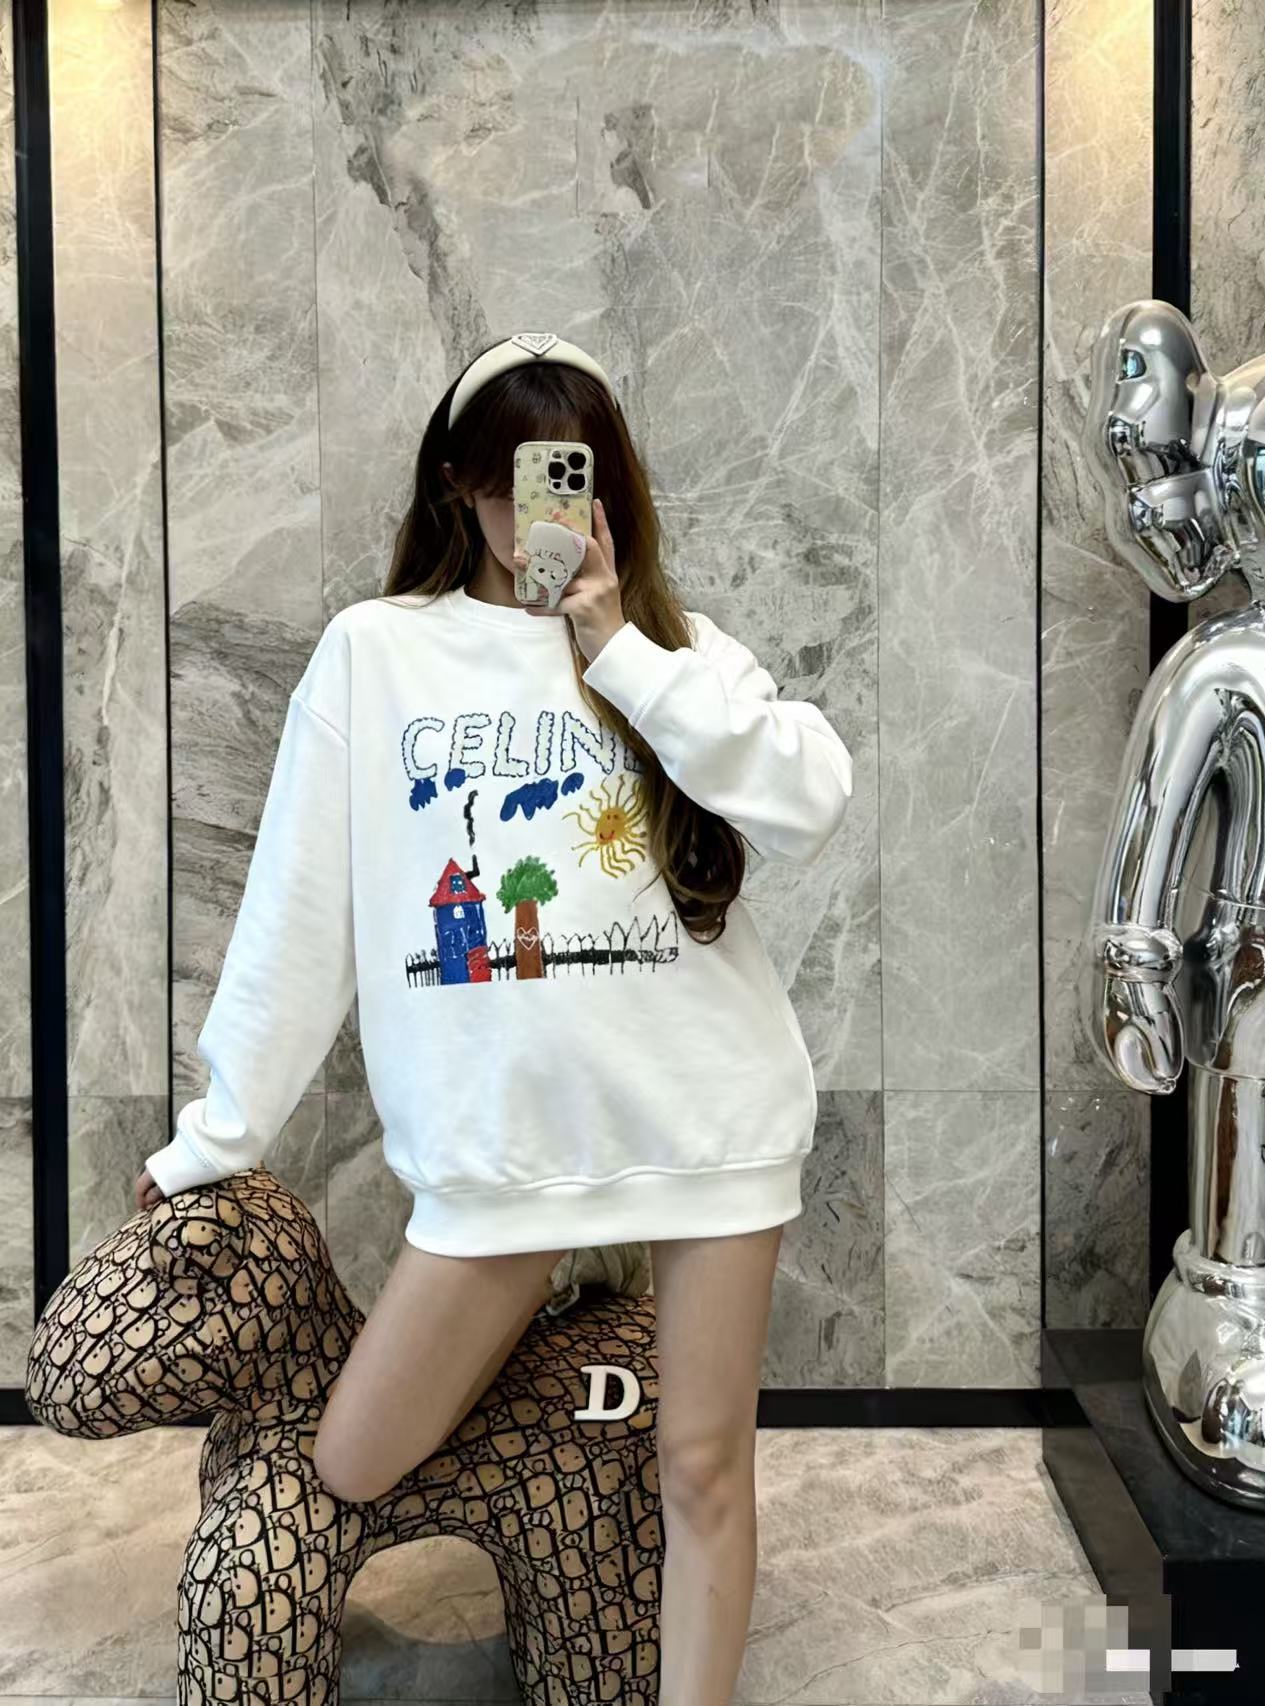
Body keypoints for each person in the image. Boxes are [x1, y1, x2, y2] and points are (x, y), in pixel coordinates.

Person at [134, 330, 854, 1704]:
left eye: (573, 473)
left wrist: (618, 648)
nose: (545, 512)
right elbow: (299, 909)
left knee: (705, 1465)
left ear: (610, 484)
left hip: (707, 1120)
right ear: (460, 488)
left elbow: (811, 799)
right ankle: (569, 1394)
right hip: (502, 1147)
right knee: (354, 1456)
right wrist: (214, 1136)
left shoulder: (676, 651)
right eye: (516, 477)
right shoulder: (377, 652)